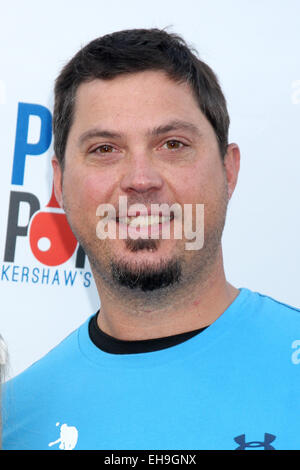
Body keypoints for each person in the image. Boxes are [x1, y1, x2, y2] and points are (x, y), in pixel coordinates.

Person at [2, 28, 300, 451]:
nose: (141, 180)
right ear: (60, 185)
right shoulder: (14, 423)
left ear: (229, 170)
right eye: (105, 149)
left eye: (172, 144)